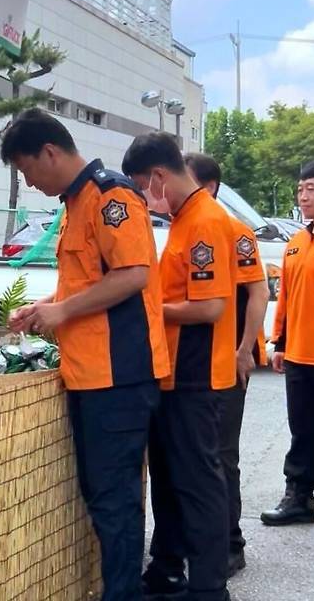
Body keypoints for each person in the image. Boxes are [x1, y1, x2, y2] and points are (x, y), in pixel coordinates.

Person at [2, 109, 169, 601]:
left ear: (50, 152)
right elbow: (89, 282)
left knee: (114, 500)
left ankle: (123, 595)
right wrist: (46, 306)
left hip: (118, 376)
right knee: (104, 496)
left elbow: (134, 275)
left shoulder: (111, 196)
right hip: (91, 374)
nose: (30, 183)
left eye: (28, 170)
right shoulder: (75, 202)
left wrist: (65, 310)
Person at [122, 133, 237, 601]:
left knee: (197, 481)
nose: (144, 199)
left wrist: (148, 306)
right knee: (170, 480)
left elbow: (209, 308)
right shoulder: (184, 219)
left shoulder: (207, 221)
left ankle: (209, 586)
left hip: (196, 372)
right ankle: (167, 569)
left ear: (158, 177)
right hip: (172, 372)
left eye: (142, 188)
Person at [184, 152, 269, 576]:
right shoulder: (187, 227)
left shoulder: (236, 233)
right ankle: (201, 539)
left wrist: (244, 350)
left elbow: (258, 294)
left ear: (210, 186)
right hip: (196, 365)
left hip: (227, 362)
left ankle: (231, 542)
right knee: (200, 455)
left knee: (222, 455)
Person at [261, 159, 314, 540]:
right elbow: (287, 300)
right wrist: (279, 343)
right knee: (302, 433)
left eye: (311, 188)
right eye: (300, 189)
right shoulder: (296, 244)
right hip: (299, 357)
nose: (303, 195)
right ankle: (300, 498)